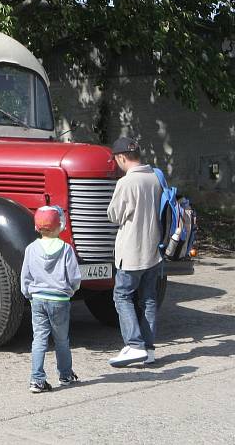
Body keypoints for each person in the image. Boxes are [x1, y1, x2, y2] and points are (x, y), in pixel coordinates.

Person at [107, 136, 163, 367]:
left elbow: (114, 215)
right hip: (154, 251)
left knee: (122, 296)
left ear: (121, 158)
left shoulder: (126, 183)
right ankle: (148, 350)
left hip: (131, 252)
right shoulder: (155, 177)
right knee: (149, 299)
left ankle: (134, 345)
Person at [20, 206, 82, 393]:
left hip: (37, 299)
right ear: (59, 227)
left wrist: (28, 294)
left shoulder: (31, 249)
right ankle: (65, 375)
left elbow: (25, 276)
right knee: (61, 340)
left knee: (39, 340)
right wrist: (70, 291)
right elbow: (74, 278)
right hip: (60, 300)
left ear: (37, 228)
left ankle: (37, 380)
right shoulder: (66, 250)